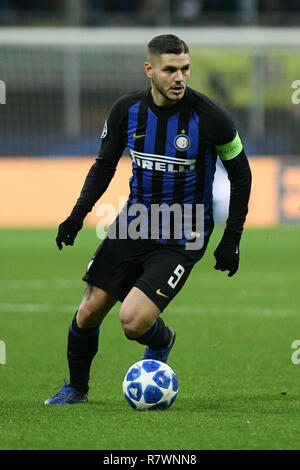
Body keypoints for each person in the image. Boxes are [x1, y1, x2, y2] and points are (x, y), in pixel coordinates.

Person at [45, 34, 252, 405]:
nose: (179, 78)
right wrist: (77, 215)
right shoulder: (127, 110)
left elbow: (241, 173)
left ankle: (163, 339)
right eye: (170, 70)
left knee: (132, 322)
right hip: (136, 221)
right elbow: (104, 165)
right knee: (88, 311)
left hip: (183, 231)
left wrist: (231, 237)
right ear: (150, 70)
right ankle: (76, 389)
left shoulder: (211, 116)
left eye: (185, 69)